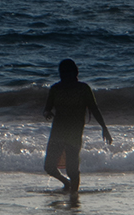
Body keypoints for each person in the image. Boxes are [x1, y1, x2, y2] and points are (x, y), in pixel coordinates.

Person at [43, 58, 112, 201]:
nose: (65, 75)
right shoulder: (55, 89)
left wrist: (104, 128)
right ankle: (67, 183)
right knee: (49, 166)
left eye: (68, 72)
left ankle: (74, 199)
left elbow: (94, 108)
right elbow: (46, 109)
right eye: (63, 72)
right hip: (58, 131)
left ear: (75, 72)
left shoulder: (83, 89)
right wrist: (47, 113)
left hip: (74, 133)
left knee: (72, 169)